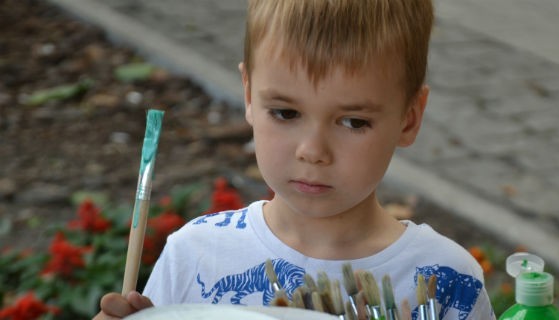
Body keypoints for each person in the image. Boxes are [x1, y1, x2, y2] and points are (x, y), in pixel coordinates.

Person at [95, 0, 494, 319]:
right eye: (286, 113)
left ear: (410, 117)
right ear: (250, 95)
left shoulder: (447, 281)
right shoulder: (196, 255)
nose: (312, 151)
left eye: (353, 122)